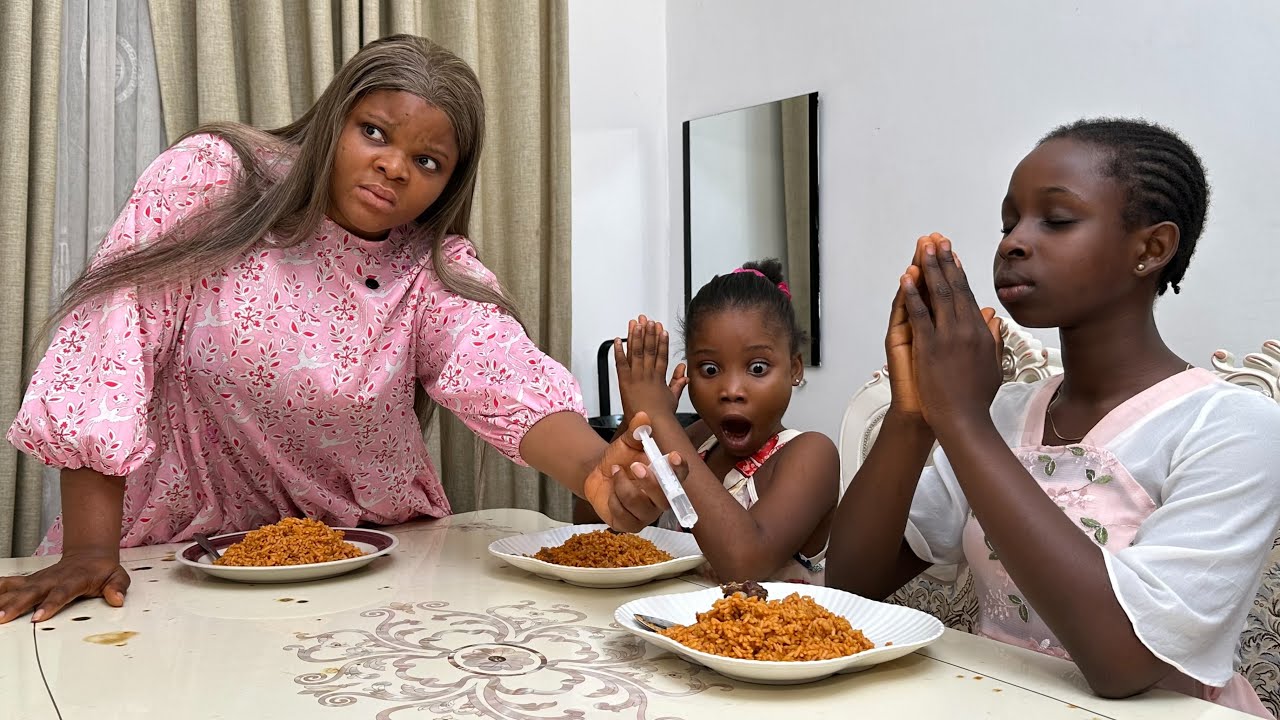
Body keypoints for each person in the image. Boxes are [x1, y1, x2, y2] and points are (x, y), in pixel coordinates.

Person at [0, 34, 668, 625]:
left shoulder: (432, 270)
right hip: (171, 558)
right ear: (333, 120)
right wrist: (90, 550)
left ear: (448, 184)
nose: (394, 166)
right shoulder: (214, 179)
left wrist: (596, 471)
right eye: (374, 132)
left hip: (367, 563)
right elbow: (110, 344)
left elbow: (499, 369)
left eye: (428, 162)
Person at [827, 119, 1280, 716]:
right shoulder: (1006, 411)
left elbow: (1124, 666)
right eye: (1009, 223)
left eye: (1057, 220)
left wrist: (961, 419)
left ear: (1151, 249)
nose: (1013, 243)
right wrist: (916, 416)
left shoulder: (1231, 427)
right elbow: (851, 587)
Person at [578, 259, 840, 583]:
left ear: (795, 369)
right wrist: (639, 420)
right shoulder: (696, 440)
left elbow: (744, 565)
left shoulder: (812, 455)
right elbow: (591, 529)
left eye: (757, 368)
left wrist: (660, 419)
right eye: (710, 369)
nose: (731, 390)